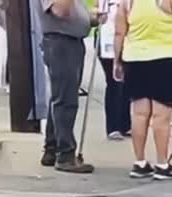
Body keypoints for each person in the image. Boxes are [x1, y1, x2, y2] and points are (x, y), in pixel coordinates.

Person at [37, 0, 105, 174]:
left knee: (60, 96)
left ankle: (52, 148)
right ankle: (65, 154)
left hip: (68, 40)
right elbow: (61, 11)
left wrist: (89, 18)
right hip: (61, 42)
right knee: (65, 100)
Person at [114, 0, 172, 179]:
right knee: (161, 115)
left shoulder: (127, 2)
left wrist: (117, 61)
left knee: (139, 114)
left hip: (135, 59)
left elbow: (119, 33)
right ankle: (162, 163)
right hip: (164, 58)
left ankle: (140, 162)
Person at [96, 0, 131, 141]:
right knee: (115, 82)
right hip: (108, 40)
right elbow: (101, 14)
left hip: (127, 40)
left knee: (126, 83)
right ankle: (113, 127)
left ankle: (125, 124)